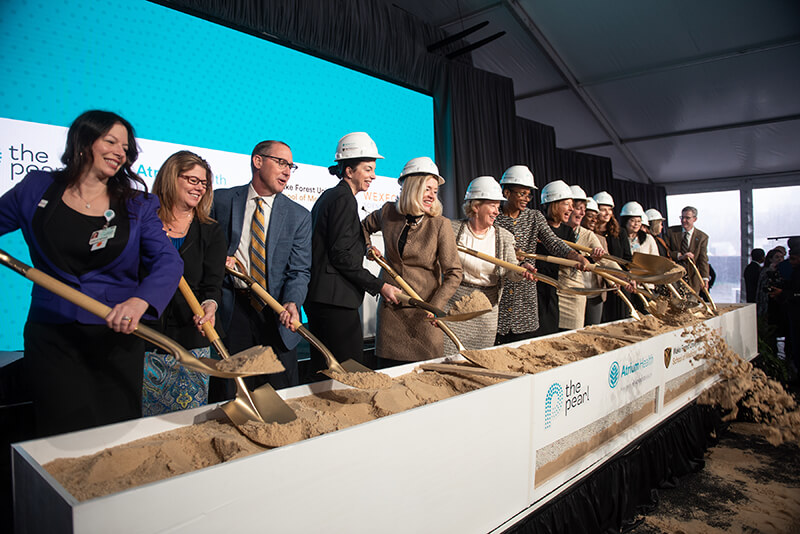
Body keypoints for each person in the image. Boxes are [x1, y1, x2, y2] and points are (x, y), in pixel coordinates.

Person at [0, 110, 183, 437]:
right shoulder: (36, 189)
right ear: (84, 141)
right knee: (61, 435)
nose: (119, 152)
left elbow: (168, 262)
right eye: (110, 141)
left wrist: (140, 301)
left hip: (116, 337)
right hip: (53, 336)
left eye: (125, 148)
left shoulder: (137, 204)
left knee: (116, 436)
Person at [210, 140, 311, 396]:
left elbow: (299, 271)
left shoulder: (298, 215)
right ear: (257, 161)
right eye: (281, 163)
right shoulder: (221, 200)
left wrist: (292, 302)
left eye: (291, 166)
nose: (287, 171)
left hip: (275, 313)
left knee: (279, 393)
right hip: (233, 311)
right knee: (233, 391)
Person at [305, 133, 401, 379]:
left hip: (325, 300)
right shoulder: (342, 199)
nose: (373, 175)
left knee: (326, 371)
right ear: (348, 171)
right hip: (334, 302)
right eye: (368, 169)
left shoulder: (334, 197)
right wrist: (380, 286)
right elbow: (340, 256)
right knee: (346, 373)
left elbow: (339, 245)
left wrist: (364, 247)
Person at [143, 151, 226, 415]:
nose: (199, 187)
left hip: (191, 340)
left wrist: (210, 306)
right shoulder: (144, 223)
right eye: (192, 180)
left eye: (203, 183)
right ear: (171, 178)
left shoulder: (211, 230)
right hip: (145, 336)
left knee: (187, 419)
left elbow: (212, 285)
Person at [362, 158, 461, 367]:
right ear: (412, 187)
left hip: (423, 315)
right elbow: (361, 228)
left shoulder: (440, 225)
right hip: (391, 313)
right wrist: (368, 248)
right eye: (427, 189)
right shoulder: (388, 212)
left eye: (435, 191)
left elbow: (454, 273)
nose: (432, 195)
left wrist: (435, 306)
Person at [494, 166, 585, 345]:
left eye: (529, 195)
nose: (526, 199)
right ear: (506, 192)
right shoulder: (494, 218)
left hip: (525, 293)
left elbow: (553, 241)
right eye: (522, 194)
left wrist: (574, 255)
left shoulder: (534, 217)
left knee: (525, 345)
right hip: (500, 291)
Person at [446, 176, 535, 353]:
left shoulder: (503, 236)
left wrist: (521, 269)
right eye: (492, 205)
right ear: (476, 206)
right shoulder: (451, 229)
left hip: (486, 311)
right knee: (449, 357)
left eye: (497, 206)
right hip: (453, 307)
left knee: (480, 361)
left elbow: (511, 269)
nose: (497, 211)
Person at [533, 180, 589, 336]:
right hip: (535, 284)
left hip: (553, 287)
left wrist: (580, 259)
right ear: (554, 204)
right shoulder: (538, 225)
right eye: (567, 204)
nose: (571, 209)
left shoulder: (567, 231)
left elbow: (568, 254)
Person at [557, 186, 608, 330]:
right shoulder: (551, 231)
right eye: (578, 208)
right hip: (554, 291)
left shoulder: (587, 235)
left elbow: (606, 260)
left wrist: (623, 277)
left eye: (583, 209)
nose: (582, 212)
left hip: (576, 293)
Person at [593, 191, 632, 322]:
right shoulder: (590, 232)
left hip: (619, 279)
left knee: (621, 316)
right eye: (603, 210)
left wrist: (626, 276)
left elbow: (627, 258)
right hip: (599, 281)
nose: (607, 213)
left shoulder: (620, 232)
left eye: (609, 209)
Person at [667, 206, 709, 294]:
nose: (683, 220)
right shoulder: (671, 232)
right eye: (682, 217)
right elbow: (665, 252)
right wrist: (679, 256)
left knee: (692, 304)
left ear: (695, 219)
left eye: (687, 218)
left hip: (693, 280)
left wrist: (705, 278)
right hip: (674, 279)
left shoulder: (702, 237)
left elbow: (703, 259)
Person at [582, 197, 606, 325]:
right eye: (590, 216)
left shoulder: (601, 240)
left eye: (596, 217)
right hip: (578, 292)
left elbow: (606, 263)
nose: (594, 220)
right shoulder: (572, 236)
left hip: (596, 293)